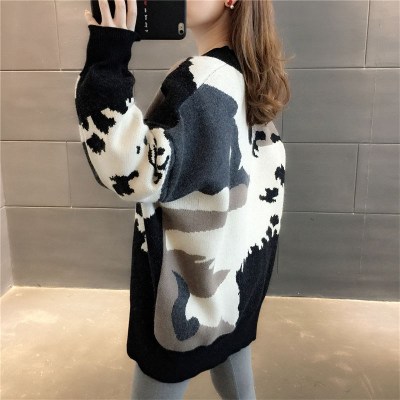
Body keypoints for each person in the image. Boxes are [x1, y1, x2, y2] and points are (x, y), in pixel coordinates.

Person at [76, 0, 291, 398]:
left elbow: (131, 170)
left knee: (164, 375)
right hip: (235, 287)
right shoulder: (246, 76)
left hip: (187, 299)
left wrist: (108, 56)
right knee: (234, 360)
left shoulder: (201, 78)